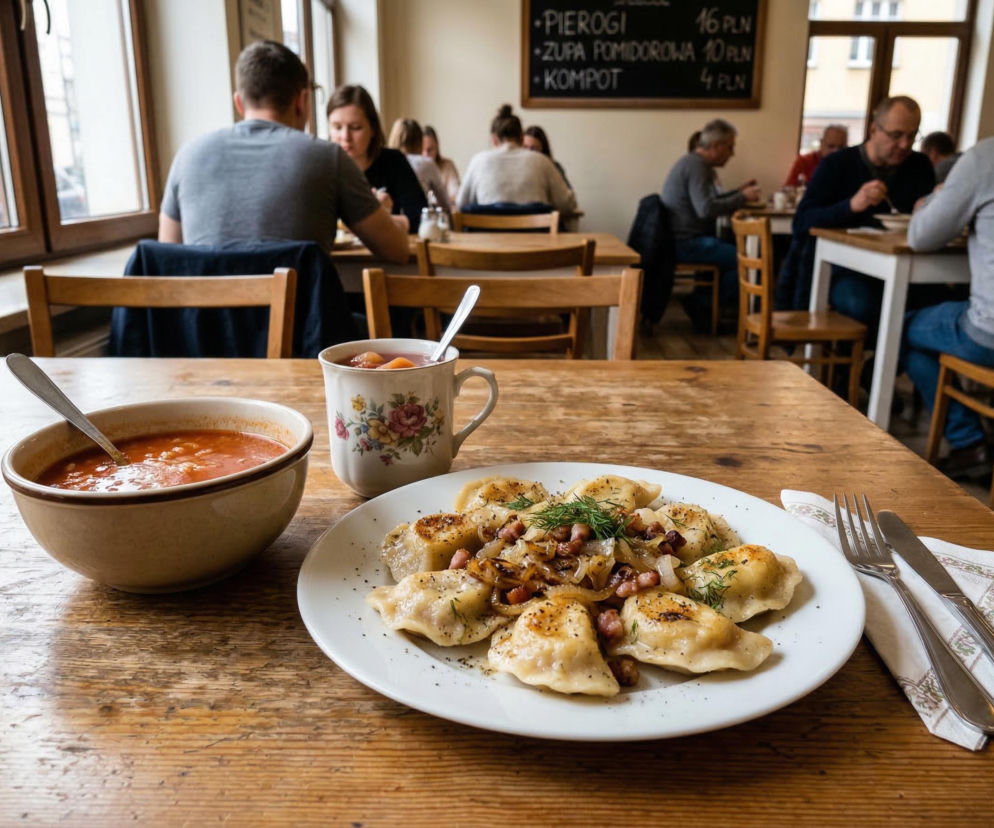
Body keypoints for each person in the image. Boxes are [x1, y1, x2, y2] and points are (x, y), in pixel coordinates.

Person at [158, 41, 407, 263]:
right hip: (301, 303)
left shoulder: (186, 157)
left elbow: (166, 263)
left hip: (208, 304)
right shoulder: (329, 158)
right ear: (301, 101)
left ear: (239, 103)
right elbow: (396, 251)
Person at [776, 95, 935, 330]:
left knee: (941, 302)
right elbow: (802, 222)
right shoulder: (837, 164)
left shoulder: (920, 166)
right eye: (896, 135)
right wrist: (851, 205)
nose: (904, 144)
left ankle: (890, 352)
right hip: (844, 269)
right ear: (874, 130)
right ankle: (865, 353)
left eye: (912, 136)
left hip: (906, 266)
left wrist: (934, 206)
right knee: (862, 304)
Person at [903, 137, 994, 477]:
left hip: (988, 331)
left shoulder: (984, 158)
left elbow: (920, 236)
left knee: (903, 328)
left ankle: (968, 442)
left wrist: (932, 199)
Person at [660, 118, 761, 331]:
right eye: (730, 147)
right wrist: (742, 197)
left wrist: (738, 192)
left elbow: (709, 202)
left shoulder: (692, 163)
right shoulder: (697, 167)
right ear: (715, 146)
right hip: (686, 243)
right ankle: (703, 305)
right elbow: (705, 209)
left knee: (733, 251)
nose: (732, 154)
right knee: (745, 259)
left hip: (681, 240)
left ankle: (706, 305)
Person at [327, 84, 427, 231]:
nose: (345, 137)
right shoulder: (322, 167)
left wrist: (381, 217)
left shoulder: (393, 161)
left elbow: (422, 217)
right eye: (337, 127)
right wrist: (375, 217)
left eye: (355, 127)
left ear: (373, 129)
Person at [456, 104, 576, 214]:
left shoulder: (478, 161)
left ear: (494, 139)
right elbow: (567, 204)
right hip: (534, 231)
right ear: (521, 137)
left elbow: (460, 204)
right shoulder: (542, 161)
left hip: (487, 231)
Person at [386, 118, 451, 212]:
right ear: (420, 141)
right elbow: (445, 204)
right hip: (416, 218)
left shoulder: (385, 163)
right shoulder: (426, 163)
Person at [784, 124, 848, 188]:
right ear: (822, 143)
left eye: (841, 147)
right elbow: (789, 189)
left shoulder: (849, 165)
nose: (836, 151)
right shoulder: (804, 162)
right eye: (831, 146)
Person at [523, 125, 573, 191]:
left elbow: (568, 193)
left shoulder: (554, 168)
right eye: (525, 147)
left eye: (533, 149)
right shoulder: (516, 168)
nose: (528, 153)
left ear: (542, 150)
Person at [422, 125, 460, 207]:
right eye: (422, 150)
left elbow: (456, 196)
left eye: (430, 150)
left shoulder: (448, 166)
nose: (426, 154)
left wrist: (435, 201)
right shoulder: (414, 168)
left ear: (437, 146)